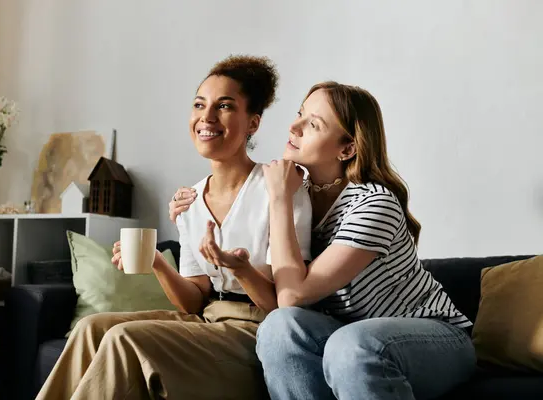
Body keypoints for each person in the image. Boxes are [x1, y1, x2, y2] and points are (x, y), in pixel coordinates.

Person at [170, 82, 476, 400]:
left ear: (347, 149)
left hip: (433, 338)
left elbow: (293, 294)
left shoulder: (373, 203)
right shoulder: (296, 194)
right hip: (344, 335)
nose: (294, 126)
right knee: (279, 327)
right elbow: (261, 276)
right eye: (300, 114)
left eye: (313, 124)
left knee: (351, 345)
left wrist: (278, 199)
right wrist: (185, 215)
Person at [35, 55, 311, 400]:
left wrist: (239, 269)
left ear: (252, 123)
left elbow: (282, 306)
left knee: (125, 338)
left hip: (257, 333)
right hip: (208, 321)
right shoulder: (190, 201)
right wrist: (156, 262)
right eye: (199, 104)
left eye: (224, 106)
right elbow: (193, 302)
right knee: (90, 327)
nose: (206, 117)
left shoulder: (280, 188)